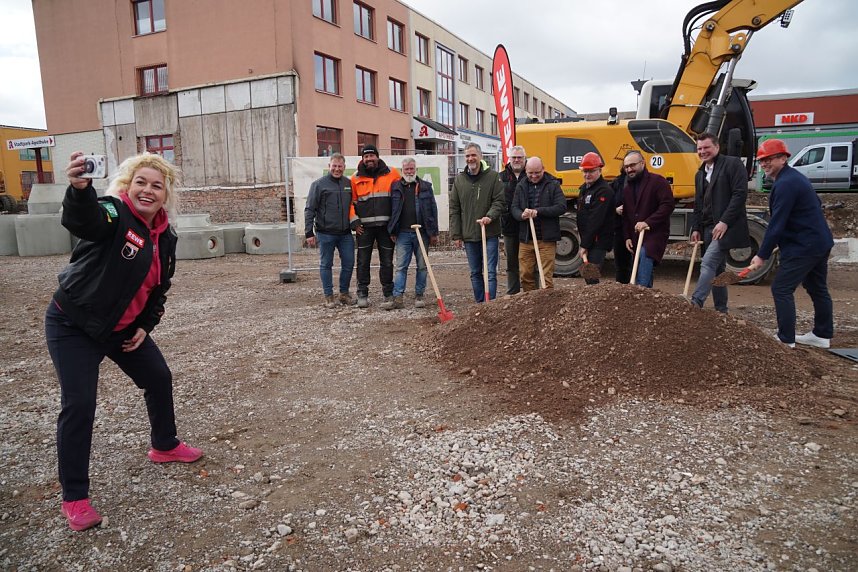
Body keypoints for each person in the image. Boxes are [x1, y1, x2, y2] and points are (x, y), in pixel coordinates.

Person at [46, 152, 203, 532]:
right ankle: (75, 497)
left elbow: (160, 288)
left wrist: (145, 325)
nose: (148, 190)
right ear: (127, 186)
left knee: (158, 378)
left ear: (166, 194)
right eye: (140, 182)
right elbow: (84, 220)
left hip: (122, 329)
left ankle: (164, 445)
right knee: (80, 404)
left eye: (157, 185)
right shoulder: (114, 212)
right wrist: (79, 190)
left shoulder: (166, 236)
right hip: (74, 324)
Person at [748, 139, 834, 349]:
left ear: (783, 158)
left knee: (781, 288)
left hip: (804, 246)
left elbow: (776, 224)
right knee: (817, 288)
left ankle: (786, 339)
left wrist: (762, 255)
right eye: (762, 160)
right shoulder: (794, 178)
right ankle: (822, 335)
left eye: (769, 159)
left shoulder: (786, 183)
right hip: (818, 241)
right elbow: (815, 205)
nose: (764, 164)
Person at [689, 132, 750, 312]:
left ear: (717, 147)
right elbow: (698, 203)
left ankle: (696, 302)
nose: (702, 151)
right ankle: (721, 309)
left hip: (726, 227)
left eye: (706, 147)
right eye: (699, 148)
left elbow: (740, 194)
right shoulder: (700, 174)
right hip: (708, 227)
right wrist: (696, 227)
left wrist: (724, 221)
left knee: (708, 262)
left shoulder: (732, 164)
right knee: (717, 269)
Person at [450, 142, 505, 302]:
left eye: (473, 155)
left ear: (480, 156)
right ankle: (480, 303)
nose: (470, 158)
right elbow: (454, 208)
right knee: (475, 272)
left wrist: (490, 216)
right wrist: (456, 235)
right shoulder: (459, 180)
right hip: (469, 234)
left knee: (490, 271)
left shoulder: (493, 177)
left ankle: (490, 304)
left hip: (489, 233)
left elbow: (499, 201)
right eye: (467, 156)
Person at [386, 157, 439, 310]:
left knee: (422, 266)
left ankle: (419, 295)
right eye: (406, 169)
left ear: (416, 170)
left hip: (422, 233)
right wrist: (392, 229)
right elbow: (392, 209)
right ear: (402, 171)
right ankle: (398, 297)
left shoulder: (425, 187)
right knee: (401, 267)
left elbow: (433, 209)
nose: (409, 172)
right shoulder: (395, 187)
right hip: (403, 233)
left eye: (411, 169)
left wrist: (433, 232)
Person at [350, 144, 399, 308]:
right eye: (366, 157)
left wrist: (395, 224)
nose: (369, 159)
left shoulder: (393, 173)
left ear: (377, 157)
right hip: (364, 229)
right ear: (362, 159)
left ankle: (388, 293)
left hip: (386, 227)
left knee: (387, 262)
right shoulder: (355, 178)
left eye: (372, 156)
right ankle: (362, 293)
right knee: (363, 261)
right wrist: (355, 222)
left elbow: (399, 200)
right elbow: (351, 203)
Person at [304, 153, 355, 308]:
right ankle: (329, 296)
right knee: (326, 264)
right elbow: (310, 209)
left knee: (349, 263)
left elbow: (355, 206)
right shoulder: (319, 185)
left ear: (344, 167)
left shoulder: (348, 184)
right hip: (325, 233)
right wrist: (309, 232)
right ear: (329, 166)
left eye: (340, 166)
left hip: (345, 233)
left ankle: (344, 294)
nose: (337, 169)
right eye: (334, 166)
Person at [511, 157, 567, 290]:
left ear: (543, 169)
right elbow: (514, 207)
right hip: (526, 239)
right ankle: (531, 300)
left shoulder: (552, 184)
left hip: (546, 239)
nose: (534, 176)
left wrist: (538, 211)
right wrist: (521, 215)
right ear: (526, 171)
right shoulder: (521, 185)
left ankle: (547, 301)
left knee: (545, 277)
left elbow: (561, 206)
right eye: (530, 173)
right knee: (525, 274)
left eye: (537, 172)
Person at [621, 150, 675, 288]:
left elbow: (667, 205)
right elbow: (626, 215)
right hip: (636, 236)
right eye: (626, 167)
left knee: (645, 254)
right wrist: (627, 237)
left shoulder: (658, 181)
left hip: (655, 233)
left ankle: (641, 291)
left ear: (643, 163)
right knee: (639, 263)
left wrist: (648, 222)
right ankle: (647, 296)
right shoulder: (627, 189)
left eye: (632, 165)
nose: (629, 169)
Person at [575, 152, 614, 285]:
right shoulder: (584, 189)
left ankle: (596, 297)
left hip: (598, 240)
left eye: (591, 171)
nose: (587, 174)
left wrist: (584, 245)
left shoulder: (604, 191)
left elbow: (595, 220)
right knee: (589, 275)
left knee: (591, 275)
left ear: (599, 170)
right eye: (585, 171)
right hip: (589, 239)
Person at [499, 145, 528, 294]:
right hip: (509, 226)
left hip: (527, 226)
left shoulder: (530, 175)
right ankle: (513, 292)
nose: (517, 160)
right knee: (511, 263)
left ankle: (532, 292)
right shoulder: (501, 177)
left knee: (529, 262)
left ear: (525, 159)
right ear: (509, 159)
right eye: (514, 157)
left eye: (520, 157)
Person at [610, 168, 632, 283]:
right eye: (627, 165)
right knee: (621, 264)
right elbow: (607, 204)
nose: (630, 168)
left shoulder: (646, 183)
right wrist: (615, 210)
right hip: (620, 228)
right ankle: (621, 289)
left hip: (637, 228)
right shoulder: (617, 183)